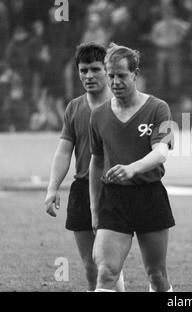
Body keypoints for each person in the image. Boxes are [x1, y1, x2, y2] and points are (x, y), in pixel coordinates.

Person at [89, 43, 175, 292]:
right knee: (106, 273)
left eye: (122, 75)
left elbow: (161, 152)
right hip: (113, 200)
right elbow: (96, 163)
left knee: (156, 275)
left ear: (136, 75)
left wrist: (132, 168)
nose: (115, 81)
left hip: (150, 196)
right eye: (111, 75)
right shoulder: (98, 116)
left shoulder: (159, 108)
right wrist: (94, 208)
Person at [44, 42, 124, 292]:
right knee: (91, 266)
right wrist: (52, 188)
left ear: (106, 70)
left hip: (116, 188)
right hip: (82, 189)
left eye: (95, 69)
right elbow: (64, 150)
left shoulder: (122, 105)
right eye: (83, 70)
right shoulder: (74, 108)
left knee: (108, 264)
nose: (88, 76)